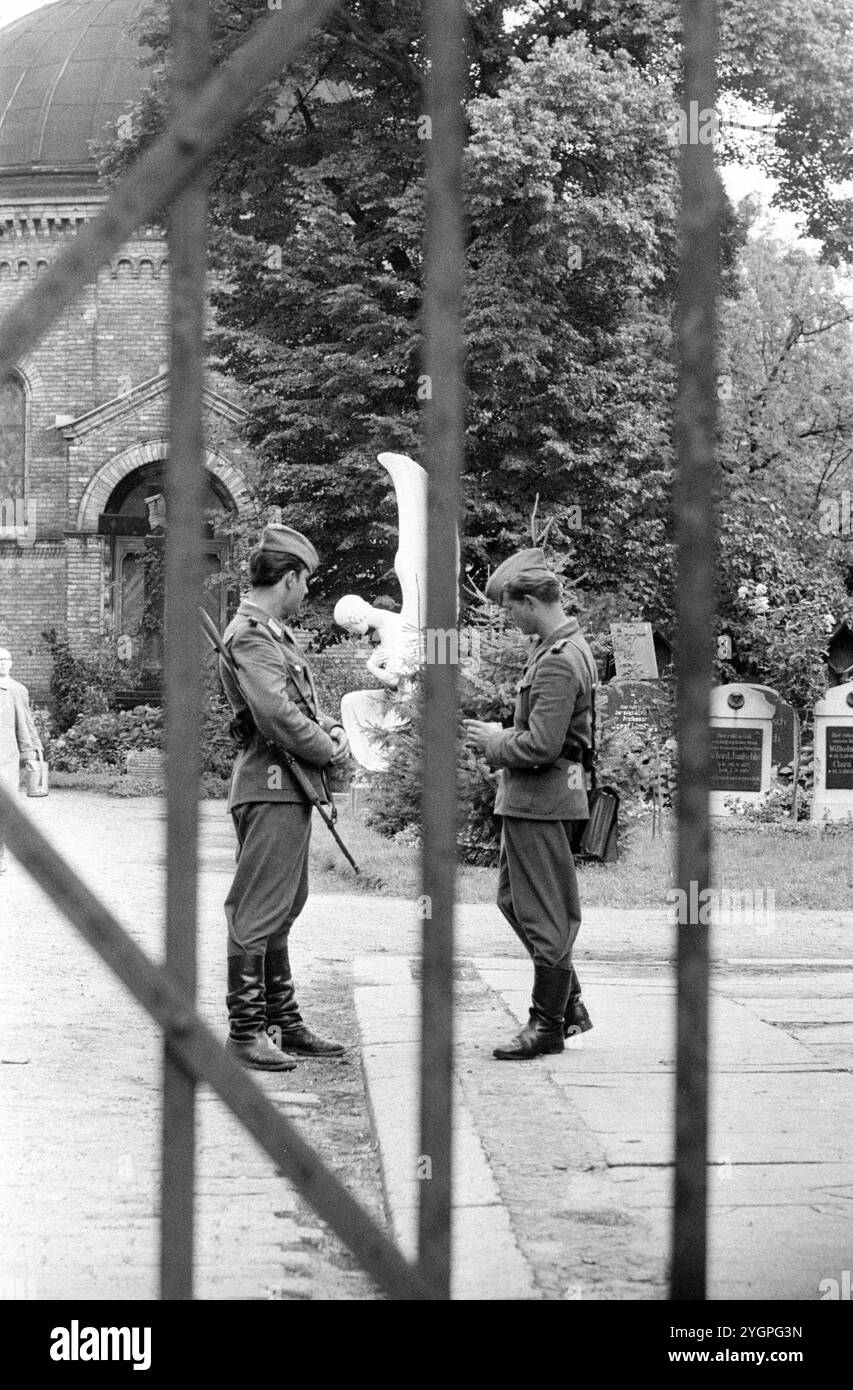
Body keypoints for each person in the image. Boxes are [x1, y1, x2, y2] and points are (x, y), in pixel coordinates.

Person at [218, 524, 351, 1071]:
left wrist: (326, 737)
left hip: (286, 786)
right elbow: (276, 714)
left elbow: (291, 709)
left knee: (283, 907)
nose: (306, 594)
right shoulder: (251, 634)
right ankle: (246, 1031)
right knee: (257, 910)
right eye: (305, 583)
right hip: (271, 784)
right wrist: (331, 750)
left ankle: (283, 1022)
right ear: (290, 578)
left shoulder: (270, 634)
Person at [463, 550, 596, 1060]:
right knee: (515, 902)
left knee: (545, 914)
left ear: (532, 601)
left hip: (541, 800)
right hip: (532, 800)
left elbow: (541, 745)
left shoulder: (561, 661)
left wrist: (496, 741)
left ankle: (548, 1025)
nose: (506, 618)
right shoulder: (556, 648)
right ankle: (570, 1003)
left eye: (509, 608)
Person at [0, 647, 41, 874]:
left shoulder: (16, 690)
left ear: (12, 663)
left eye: (6, 659)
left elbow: (26, 725)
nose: (3, 663)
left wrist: (32, 754)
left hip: (5, 758)